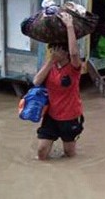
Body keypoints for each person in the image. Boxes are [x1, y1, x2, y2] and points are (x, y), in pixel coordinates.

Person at [32, 12, 84, 160]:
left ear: (65, 52)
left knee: (69, 154)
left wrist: (69, 26)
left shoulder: (74, 68)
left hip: (70, 116)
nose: (53, 52)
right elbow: (36, 82)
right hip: (51, 116)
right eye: (52, 50)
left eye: (57, 50)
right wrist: (51, 61)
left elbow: (74, 53)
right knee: (42, 152)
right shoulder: (50, 67)